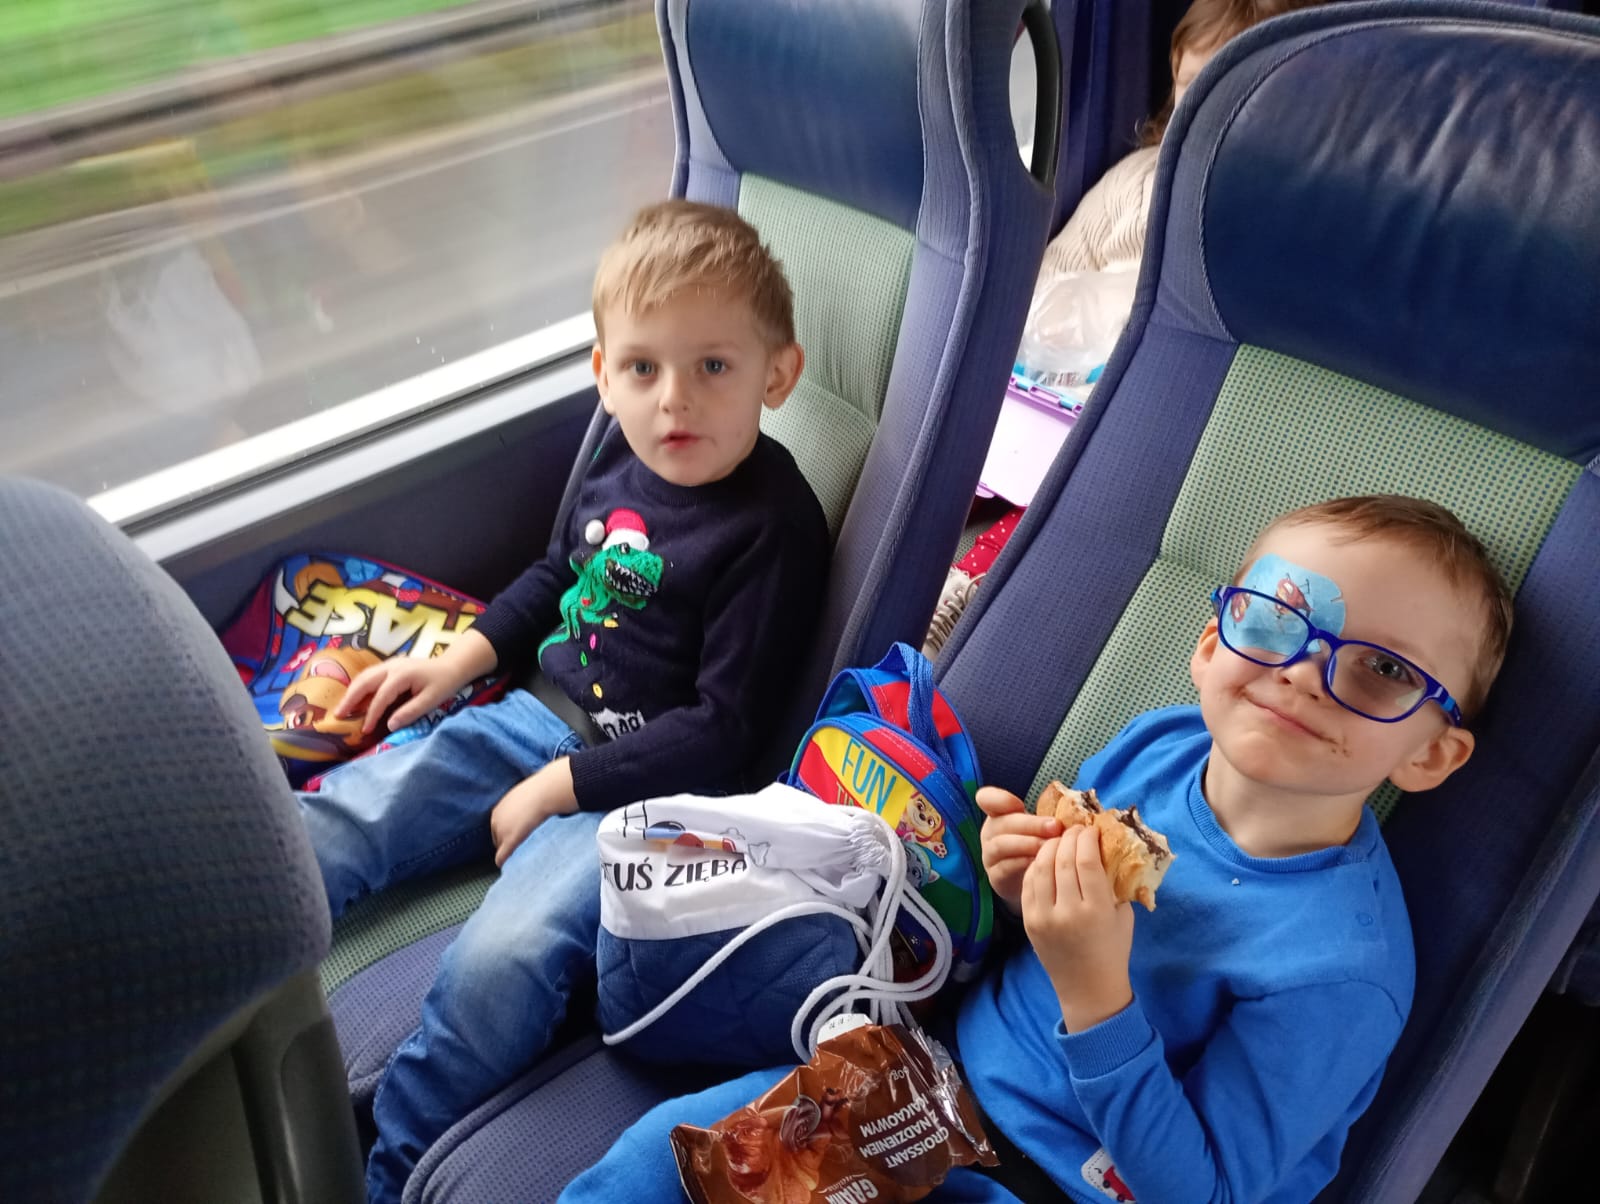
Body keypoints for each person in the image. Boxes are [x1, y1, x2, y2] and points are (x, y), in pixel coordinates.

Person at [560, 494, 1512, 1203]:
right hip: (932, 1084)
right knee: (659, 1163)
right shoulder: (1157, 746)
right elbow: (1033, 927)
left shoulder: (1339, 970)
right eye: (1275, 619)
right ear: (1210, 644)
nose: (1302, 671)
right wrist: (1019, 880)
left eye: (1382, 670)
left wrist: (1097, 993)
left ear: (1430, 754)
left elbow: (1206, 1190)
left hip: (1073, 1183)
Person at [295, 199, 830, 1204]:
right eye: (643, 368)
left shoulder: (771, 527)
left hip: (646, 798)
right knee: (346, 814)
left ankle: (387, 1173)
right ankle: (211, 974)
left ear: (778, 373)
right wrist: (458, 662)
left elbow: (724, 732)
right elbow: (556, 575)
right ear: (603, 374)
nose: (675, 400)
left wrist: (558, 788)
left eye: (714, 366)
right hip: (533, 718)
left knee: (500, 963)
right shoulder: (621, 454)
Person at [926, 0, 1327, 658]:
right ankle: (909, 555)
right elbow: (1054, 272)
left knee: (1051, 507)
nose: (1206, 120)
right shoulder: (1137, 178)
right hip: (1047, 387)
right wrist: (1062, 324)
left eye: (1237, 104)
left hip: (1129, 410)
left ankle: (963, 597)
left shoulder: (1279, 224)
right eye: (1194, 90)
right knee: (950, 468)